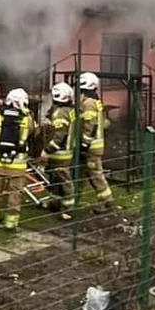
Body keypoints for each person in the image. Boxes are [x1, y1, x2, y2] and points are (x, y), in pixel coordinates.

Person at [0, 88, 35, 230]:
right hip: (18, 166)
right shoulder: (28, 120)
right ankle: (11, 223)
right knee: (15, 193)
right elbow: (36, 134)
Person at [77, 71, 116, 212]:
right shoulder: (94, 100)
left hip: (91, 147)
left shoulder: (88, 103)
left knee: (95, 174)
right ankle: (70, 201)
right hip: (93, 145)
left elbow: (90, 125)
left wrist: (84, 144)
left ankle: (107, 202)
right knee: (80, 173)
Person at [42, 81, 78, 221]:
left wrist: (47, 150)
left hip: (60, 153)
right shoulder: (70, 111)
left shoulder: (61, 113)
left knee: (63, 181)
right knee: (55, 180)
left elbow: (59, 135)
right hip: (66, 151)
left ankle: (68, 209)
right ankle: (55, 203)